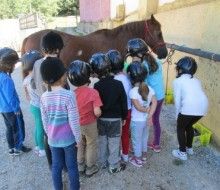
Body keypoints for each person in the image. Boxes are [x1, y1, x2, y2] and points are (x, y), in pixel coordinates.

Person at [40, 57, 81, 190]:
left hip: (53, 140)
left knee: (56, 166)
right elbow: (74, 120)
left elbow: (44, 120)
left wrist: (49, 134)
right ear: (62, 76)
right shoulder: (69, 95)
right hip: (69, 140)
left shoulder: (44, 97)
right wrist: (78, 138)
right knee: (72, 166)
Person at [90, 53, 128, 173]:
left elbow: (96, 104)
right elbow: (123, 102)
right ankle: (113, 165)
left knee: (102, 141)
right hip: (115, 120)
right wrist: (124, 116)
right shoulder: (118, 84)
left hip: (101, 119)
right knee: (114, 142)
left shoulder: (96, 85)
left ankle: (102, 163)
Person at [32, 31, 65, 167]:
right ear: (57, 49)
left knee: (48, 133)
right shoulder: (58, 63)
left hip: (43, 103)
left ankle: (51, 163)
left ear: (44, 48)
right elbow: (64, 85)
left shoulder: (37, 63)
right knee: (61, 132)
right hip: (57, 105)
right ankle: (63, 163)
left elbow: (33, 83)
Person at [126, 38, 165, 153]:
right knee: (156, 119)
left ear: (138, 54)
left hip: (151, 96)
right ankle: (156, 144)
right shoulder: (156, 61)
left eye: (133, 56)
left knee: (146, 116)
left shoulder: (143, 66)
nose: (134, 59)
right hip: (160, 95)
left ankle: (140, 141)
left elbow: (143, 84)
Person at [67, 60, 102, 177]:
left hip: (76, 124)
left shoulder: (71, 94)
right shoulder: (93, 92)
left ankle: (80, 166)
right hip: (90, 123)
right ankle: (90, 168)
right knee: (91, 144)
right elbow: (97, 112)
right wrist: (98, 114)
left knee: (79, 144)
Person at [172, 56, 208, 161]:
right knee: (189, 125)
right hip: (202, 108)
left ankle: (182, 153)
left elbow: (177, 101)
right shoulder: (197, 80)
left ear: (182, 69)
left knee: (180, 127)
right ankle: (189, 148)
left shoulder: (177, 81)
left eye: (178, 68)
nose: (177, 69)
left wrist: (177, 116)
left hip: (189, 107)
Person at [0, 47, 31, 156]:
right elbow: (10, 96)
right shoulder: (6, 79)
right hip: (12, 109)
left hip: (3, 109)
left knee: (9, 128)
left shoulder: (1, 76)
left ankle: (11, 148)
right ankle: (18, 147)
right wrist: (16, 108)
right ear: (7, 65)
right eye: (13, 64)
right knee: (17, 127)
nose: (14, 66)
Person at [127, 61, 157, 167]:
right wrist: (150, 114)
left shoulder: (133, 91)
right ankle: (143, 157)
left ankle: (137, 159)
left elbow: (138, 107)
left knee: (136, 140)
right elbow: (155, 102)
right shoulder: (150, 89)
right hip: (146, 120)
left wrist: (146, 110)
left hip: (137, 121)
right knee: (144, 138)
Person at [107, 49, 132, 163]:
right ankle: (125, 154)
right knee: (125, 133)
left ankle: (115, 156)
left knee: (115, 135)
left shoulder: (114, 80)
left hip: (117, 113)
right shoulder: (128, 78)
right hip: (128, 110)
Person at [21, 50, 46, 157]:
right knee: (41, 126)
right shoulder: (36, 79)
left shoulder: (25, 79)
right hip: (39, 106)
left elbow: (26, 95)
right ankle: (41, 149)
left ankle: (37, 145)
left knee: (37, 126)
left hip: (33, 105)